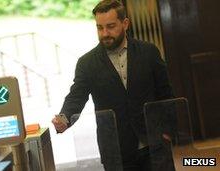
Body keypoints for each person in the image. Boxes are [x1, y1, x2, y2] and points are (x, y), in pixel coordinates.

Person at [52, 0, 175, 170]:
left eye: (110, 26)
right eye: (99, 28)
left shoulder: (149, 52)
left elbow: (166, 93)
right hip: (116, 150)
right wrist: (64, 119)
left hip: (155, 145)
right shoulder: (87, 63)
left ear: (125, 23)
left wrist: (168, 131)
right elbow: (77, 96)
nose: (104, 33)